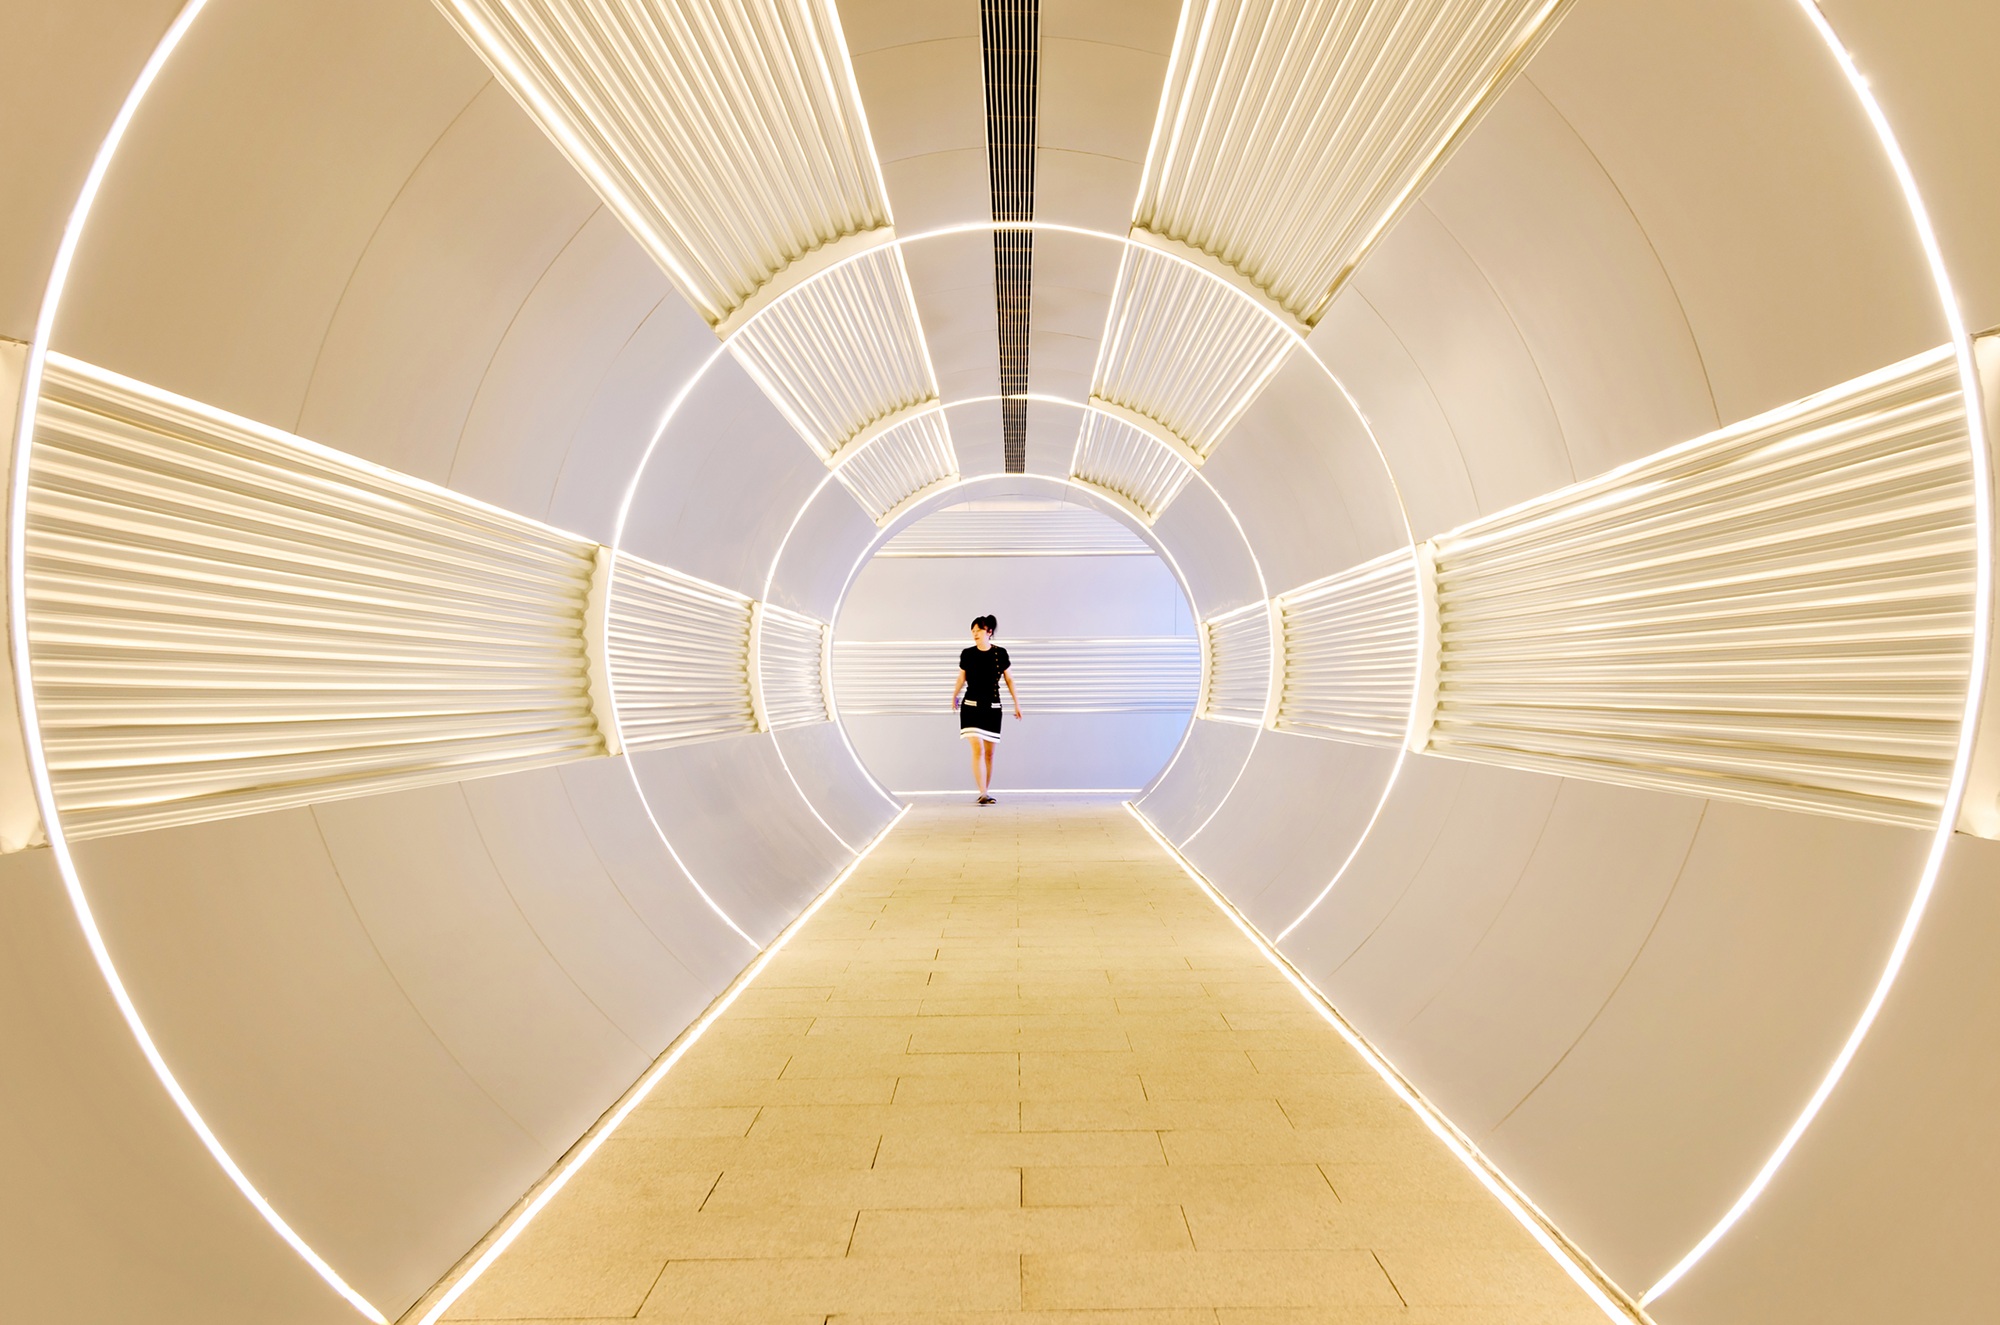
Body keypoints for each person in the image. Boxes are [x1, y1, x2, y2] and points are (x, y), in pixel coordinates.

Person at [950, 614, 1022, 805]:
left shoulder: (1000, 653)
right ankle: (983, 793)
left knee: (990, 753)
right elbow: (961, 678)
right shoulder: (968, 654)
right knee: (978, 747)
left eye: (978, 630)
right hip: (971, 707)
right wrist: (954, 695)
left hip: (992, 708)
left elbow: (1009, 679)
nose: (975, 634)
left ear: (989, 632)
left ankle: (986, 791)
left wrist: (1017, 703)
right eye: (972, 631)